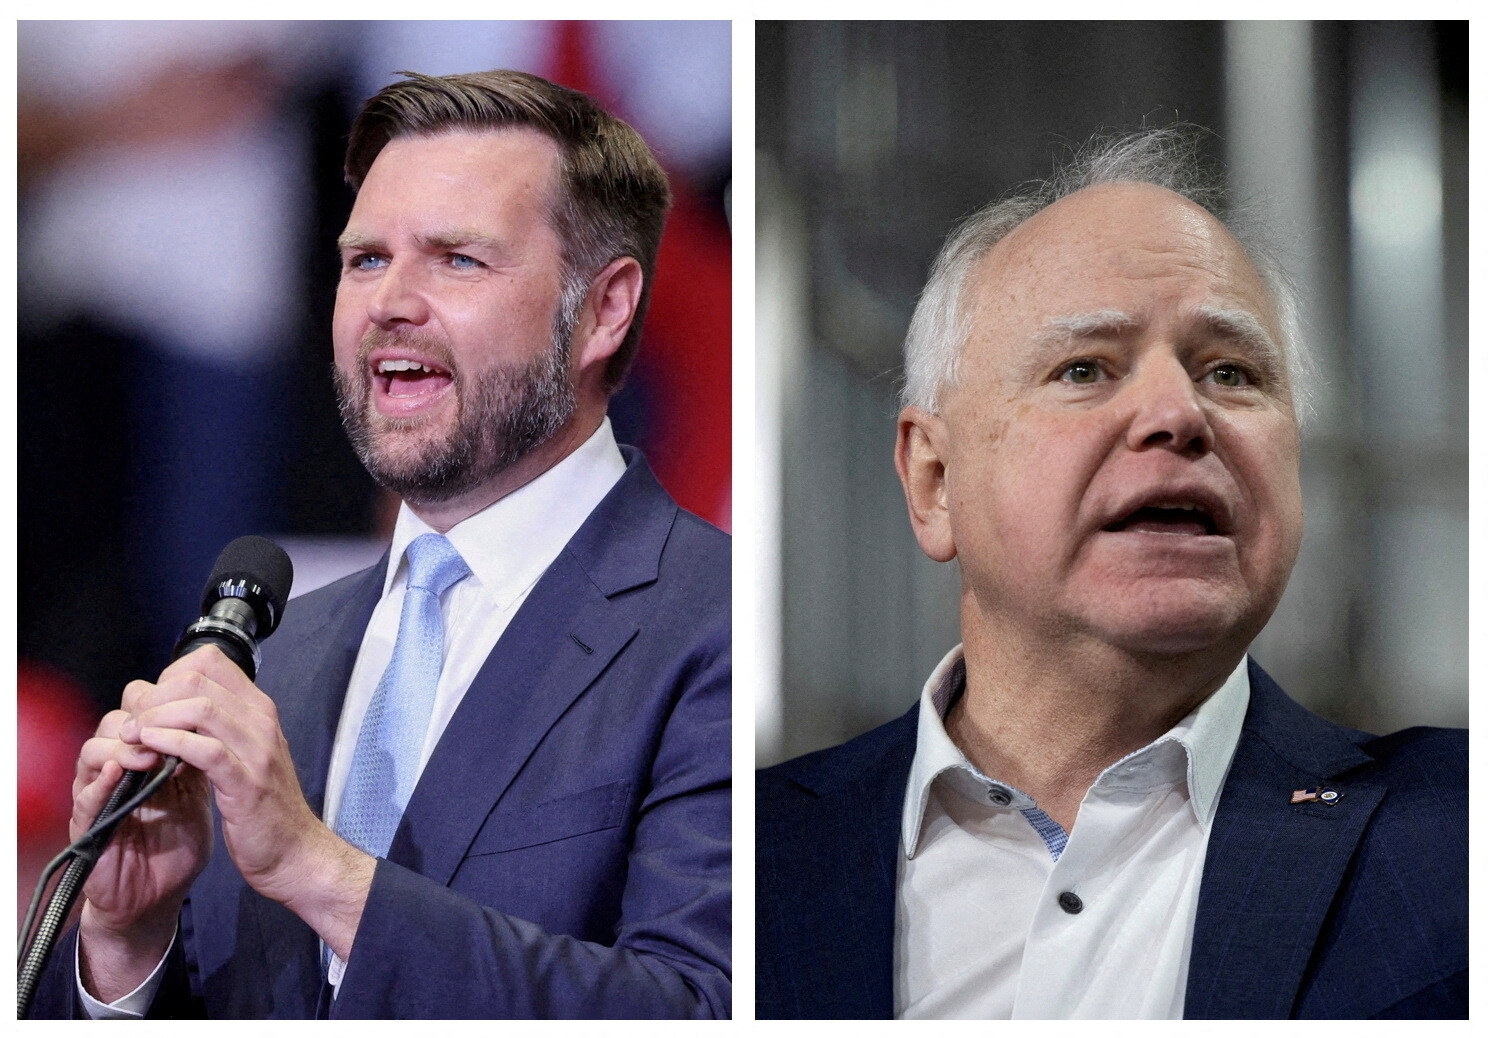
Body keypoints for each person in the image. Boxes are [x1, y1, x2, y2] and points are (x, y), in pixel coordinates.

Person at [32, 69, 730, 1020]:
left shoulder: (717, 623)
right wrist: (125, 946)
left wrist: (315, 867)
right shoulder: (267, 652)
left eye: (456, 260)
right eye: (365, 260)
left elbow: (695, 1008)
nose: (389, 302)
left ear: (604, 308)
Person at [755, 128, 1465, 1020]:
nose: (1179, 414)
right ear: (935, 481)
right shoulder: (740, 855)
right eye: (1085, 368)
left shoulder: (1455, 839)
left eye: (1232, 372)